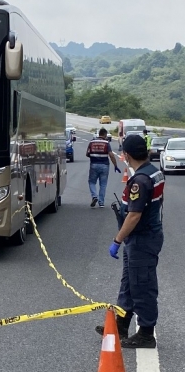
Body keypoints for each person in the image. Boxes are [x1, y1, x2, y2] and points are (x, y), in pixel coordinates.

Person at [96, 134, 164, 348]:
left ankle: (146, 334)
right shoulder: (154, 172)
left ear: (126, 155)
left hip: (142, 239)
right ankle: (121, 324)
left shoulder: (140, 181)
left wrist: (117, 240)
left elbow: (134, 215)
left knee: (142, 285)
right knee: (129, 283)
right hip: (142, 237)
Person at [86, 128, 121, 208]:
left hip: (94, 165)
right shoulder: (106, 143)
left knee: (92, 182)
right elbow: (111, 155)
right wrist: (115, 165)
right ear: (105, 134)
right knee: (103, 184)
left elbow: (87, 154)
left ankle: (94, 196)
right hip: (105, 166)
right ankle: (101, 202)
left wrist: (94, 156)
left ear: (99, 134)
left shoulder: (92, 142)